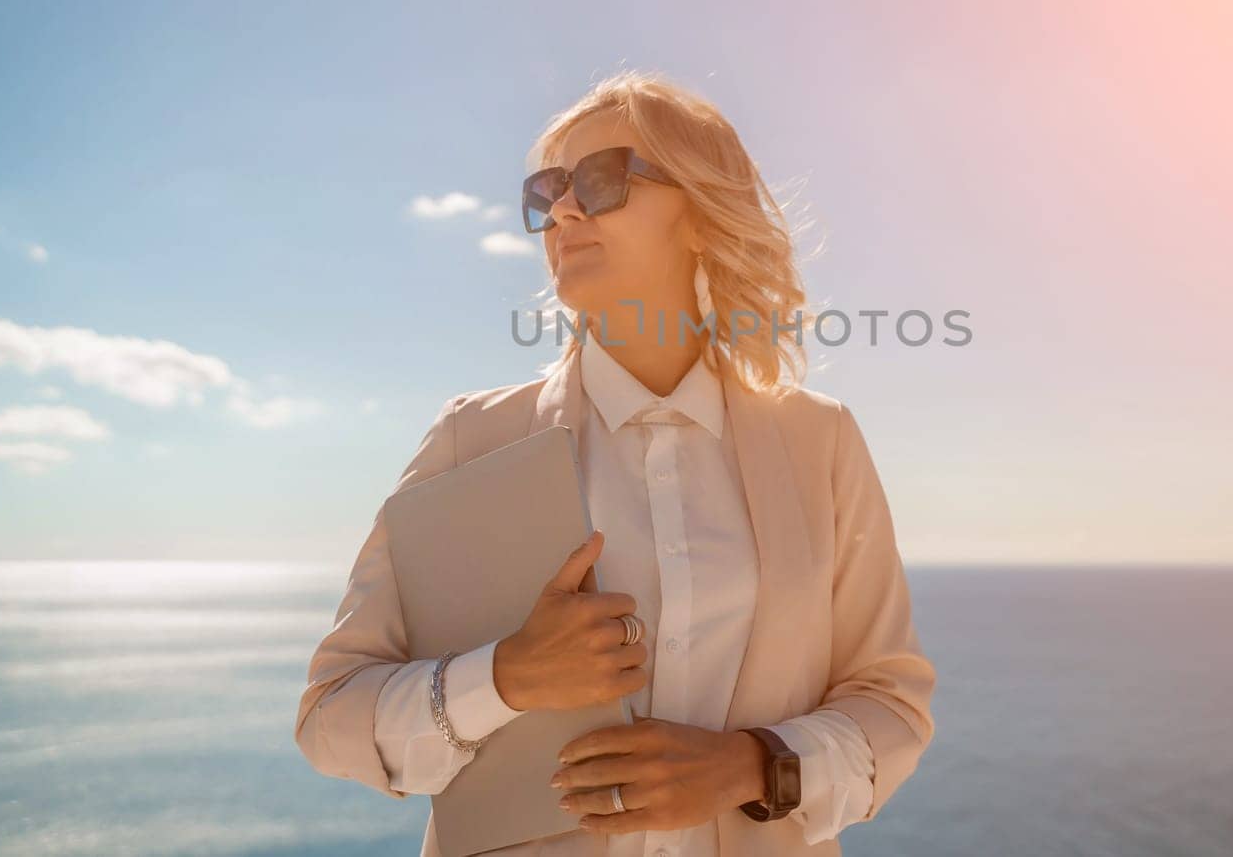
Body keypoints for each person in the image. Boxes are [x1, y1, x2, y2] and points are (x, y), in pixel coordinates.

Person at [295, 70, 936, 857]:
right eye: (548, 190)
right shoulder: (472, 439)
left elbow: (891, 701)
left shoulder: (822, 443)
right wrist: (505, 678)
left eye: (600, 180)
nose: (563, 210)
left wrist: (750, 766)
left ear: (700, 214)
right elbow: (330, 716)